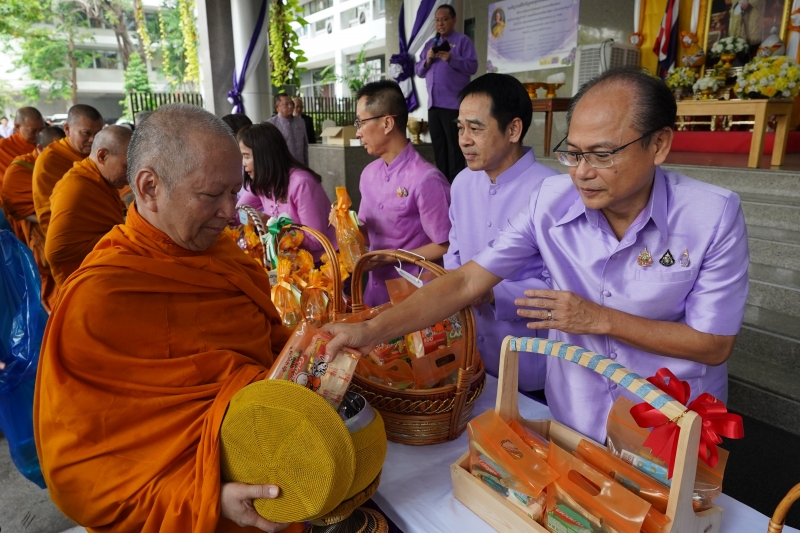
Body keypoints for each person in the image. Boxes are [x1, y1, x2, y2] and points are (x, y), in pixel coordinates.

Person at [324, 67, 749, 443]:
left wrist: (599, 318)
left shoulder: (711, 215)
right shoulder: (552, 199)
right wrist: (371, 331)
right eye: (574, 153)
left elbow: (714, 344)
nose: (582, 171)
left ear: (658, 145)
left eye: (602, 155)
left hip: (666, 418)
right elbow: (468, 279)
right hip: (577, 414)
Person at [34, 103, 300, 532]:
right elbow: (77, 475)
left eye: (236, 191)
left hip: (276, 467)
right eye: (213, 195)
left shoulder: (227, 260)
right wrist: (206, 498)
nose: (229, 211)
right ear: (149, 186)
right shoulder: (99, 298)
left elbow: (270, 348)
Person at [446, 73, 558, 395]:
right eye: (460, 128)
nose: (464, 139)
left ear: (513, 130)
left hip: (527, 362)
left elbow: (563, 286)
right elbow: (454, 253)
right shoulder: (463, 182)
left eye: (476, 128)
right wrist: (455, 288)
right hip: (470, 353)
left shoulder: (551, 192)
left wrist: (494, 293)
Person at [355, 80, 451, 307]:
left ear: (387, 123)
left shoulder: (426, 178)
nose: (358, 132)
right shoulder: (369, 173)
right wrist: (345, 227)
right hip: (374, 291)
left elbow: (445, 245)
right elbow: (366, 233)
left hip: (414, 297)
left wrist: (391, 256)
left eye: (361, 122)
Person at [45, 126, 131, 288]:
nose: (131, 176)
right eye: (126, 167)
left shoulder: (101, 180)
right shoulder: (76, 187)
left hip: (107, 274)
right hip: (84, 283)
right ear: (103, 155)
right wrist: (123, 236)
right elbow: (55, 252)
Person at [237, 123, 334, 260]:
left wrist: (272, 226)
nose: (243, 163)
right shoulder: (263, 182)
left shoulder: (301, 183)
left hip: (321, 264)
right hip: (289, 261)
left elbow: (316, 240)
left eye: (246, 156)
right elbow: (239, 211)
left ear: (264, 156)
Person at [2, 126, 65, 312]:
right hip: (40, 231)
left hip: (67, 229)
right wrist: (49, 219)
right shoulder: (21, 167)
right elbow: (14, 207)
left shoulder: (69, 162)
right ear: (39, 148)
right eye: (53, 151)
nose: (58, 155)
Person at [415, 5, 477, 182]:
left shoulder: (462, 41)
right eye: (437, 20)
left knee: (455, 149)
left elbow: (472, 66)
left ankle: (457, 186)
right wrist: (427, 60)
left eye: (444, 19)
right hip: (433, 105)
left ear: (453, 20)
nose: (440, 23)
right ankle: (442, 186)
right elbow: (419, 71)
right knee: (439, 149)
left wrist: (452, 59)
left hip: (453, 105)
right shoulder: (430, 44)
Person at [33, 104, 104, 235]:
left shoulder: (101, 153)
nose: (93, 140)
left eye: (97, 134)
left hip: (105, 227)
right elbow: (48, 209)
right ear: (67, 128)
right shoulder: (50, 160)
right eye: (86, 133)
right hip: (71, 233)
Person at [0, 107, 45, 195]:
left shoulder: (47, 143)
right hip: (15, 198)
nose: (38, 135)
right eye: (32, 131)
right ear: (17, 127)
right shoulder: (3, 147)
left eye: (41, 130)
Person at [267, 93, 308, 165]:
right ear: (277, 107)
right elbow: (269, 150)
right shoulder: (271, 124)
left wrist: (306, 166)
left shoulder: (300, 122)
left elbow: (305, 145)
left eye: (291, 103)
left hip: (300, 165)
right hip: (282, 167)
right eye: (286, 104)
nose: (290, 106)